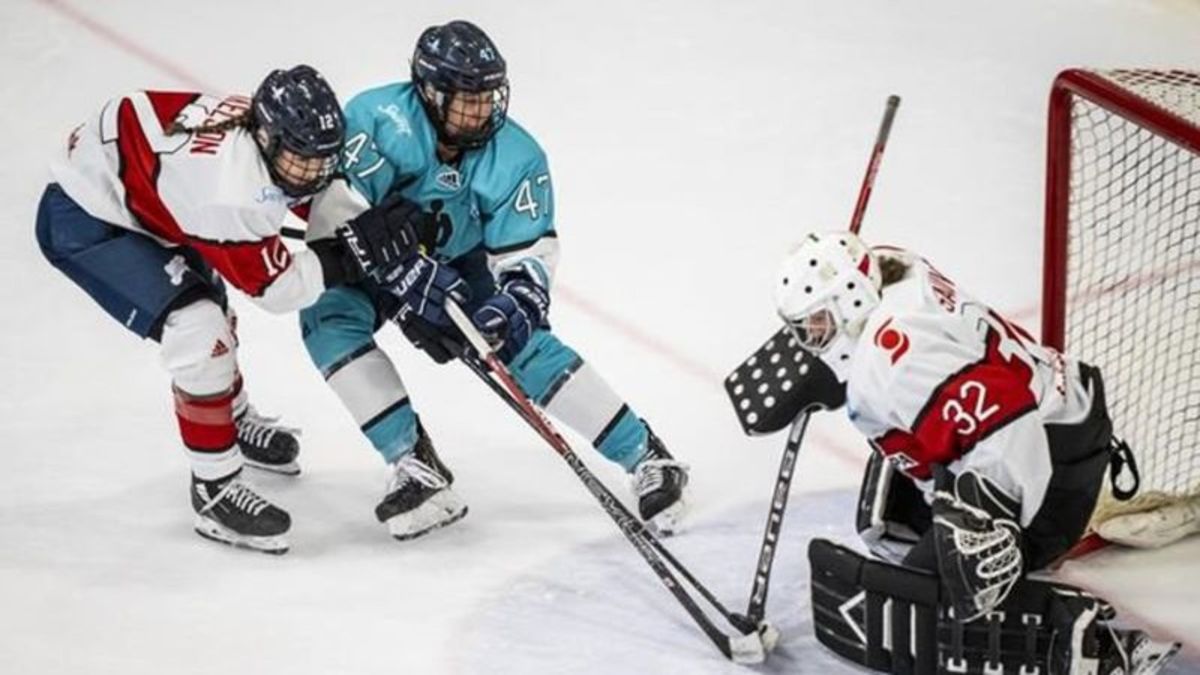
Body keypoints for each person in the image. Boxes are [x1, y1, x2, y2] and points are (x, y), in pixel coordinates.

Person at [303, 20, 689, 541]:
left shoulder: (518, 156)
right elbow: (335, 217)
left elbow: (529, 251)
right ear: (430, 92)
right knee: (326, 318)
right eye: (468, 97)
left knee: (520, 339)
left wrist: (519, 299)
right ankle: (416, 465)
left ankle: (647, 456)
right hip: (382, 268)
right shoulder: (375, 118)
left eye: (489, 95)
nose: (483, 108)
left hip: (464, 265)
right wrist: (399, 274)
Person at [772, 231, 1178, 672]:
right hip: (1064, 410)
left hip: (1048, 461)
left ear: (851, 301)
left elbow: (1006, 421)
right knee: (888, 514)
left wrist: (984, 531)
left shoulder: (893, 362)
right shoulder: (893, 269)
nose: (809, 338)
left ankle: (1092, 644)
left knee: (921, 604)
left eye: (816, 325)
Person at [37, 65, 362, 554]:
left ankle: (230, 417)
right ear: (267, 137)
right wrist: (345, 257)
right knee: (198, 330)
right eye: (301, 159)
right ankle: (214, 488)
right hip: (88, 218)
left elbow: (300, 188)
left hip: (146, 194)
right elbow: (278, 291)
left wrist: (358, 220)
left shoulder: (262, 140)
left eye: (322, 158)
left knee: (217, 316)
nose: (313, 171)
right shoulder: (228, 191)